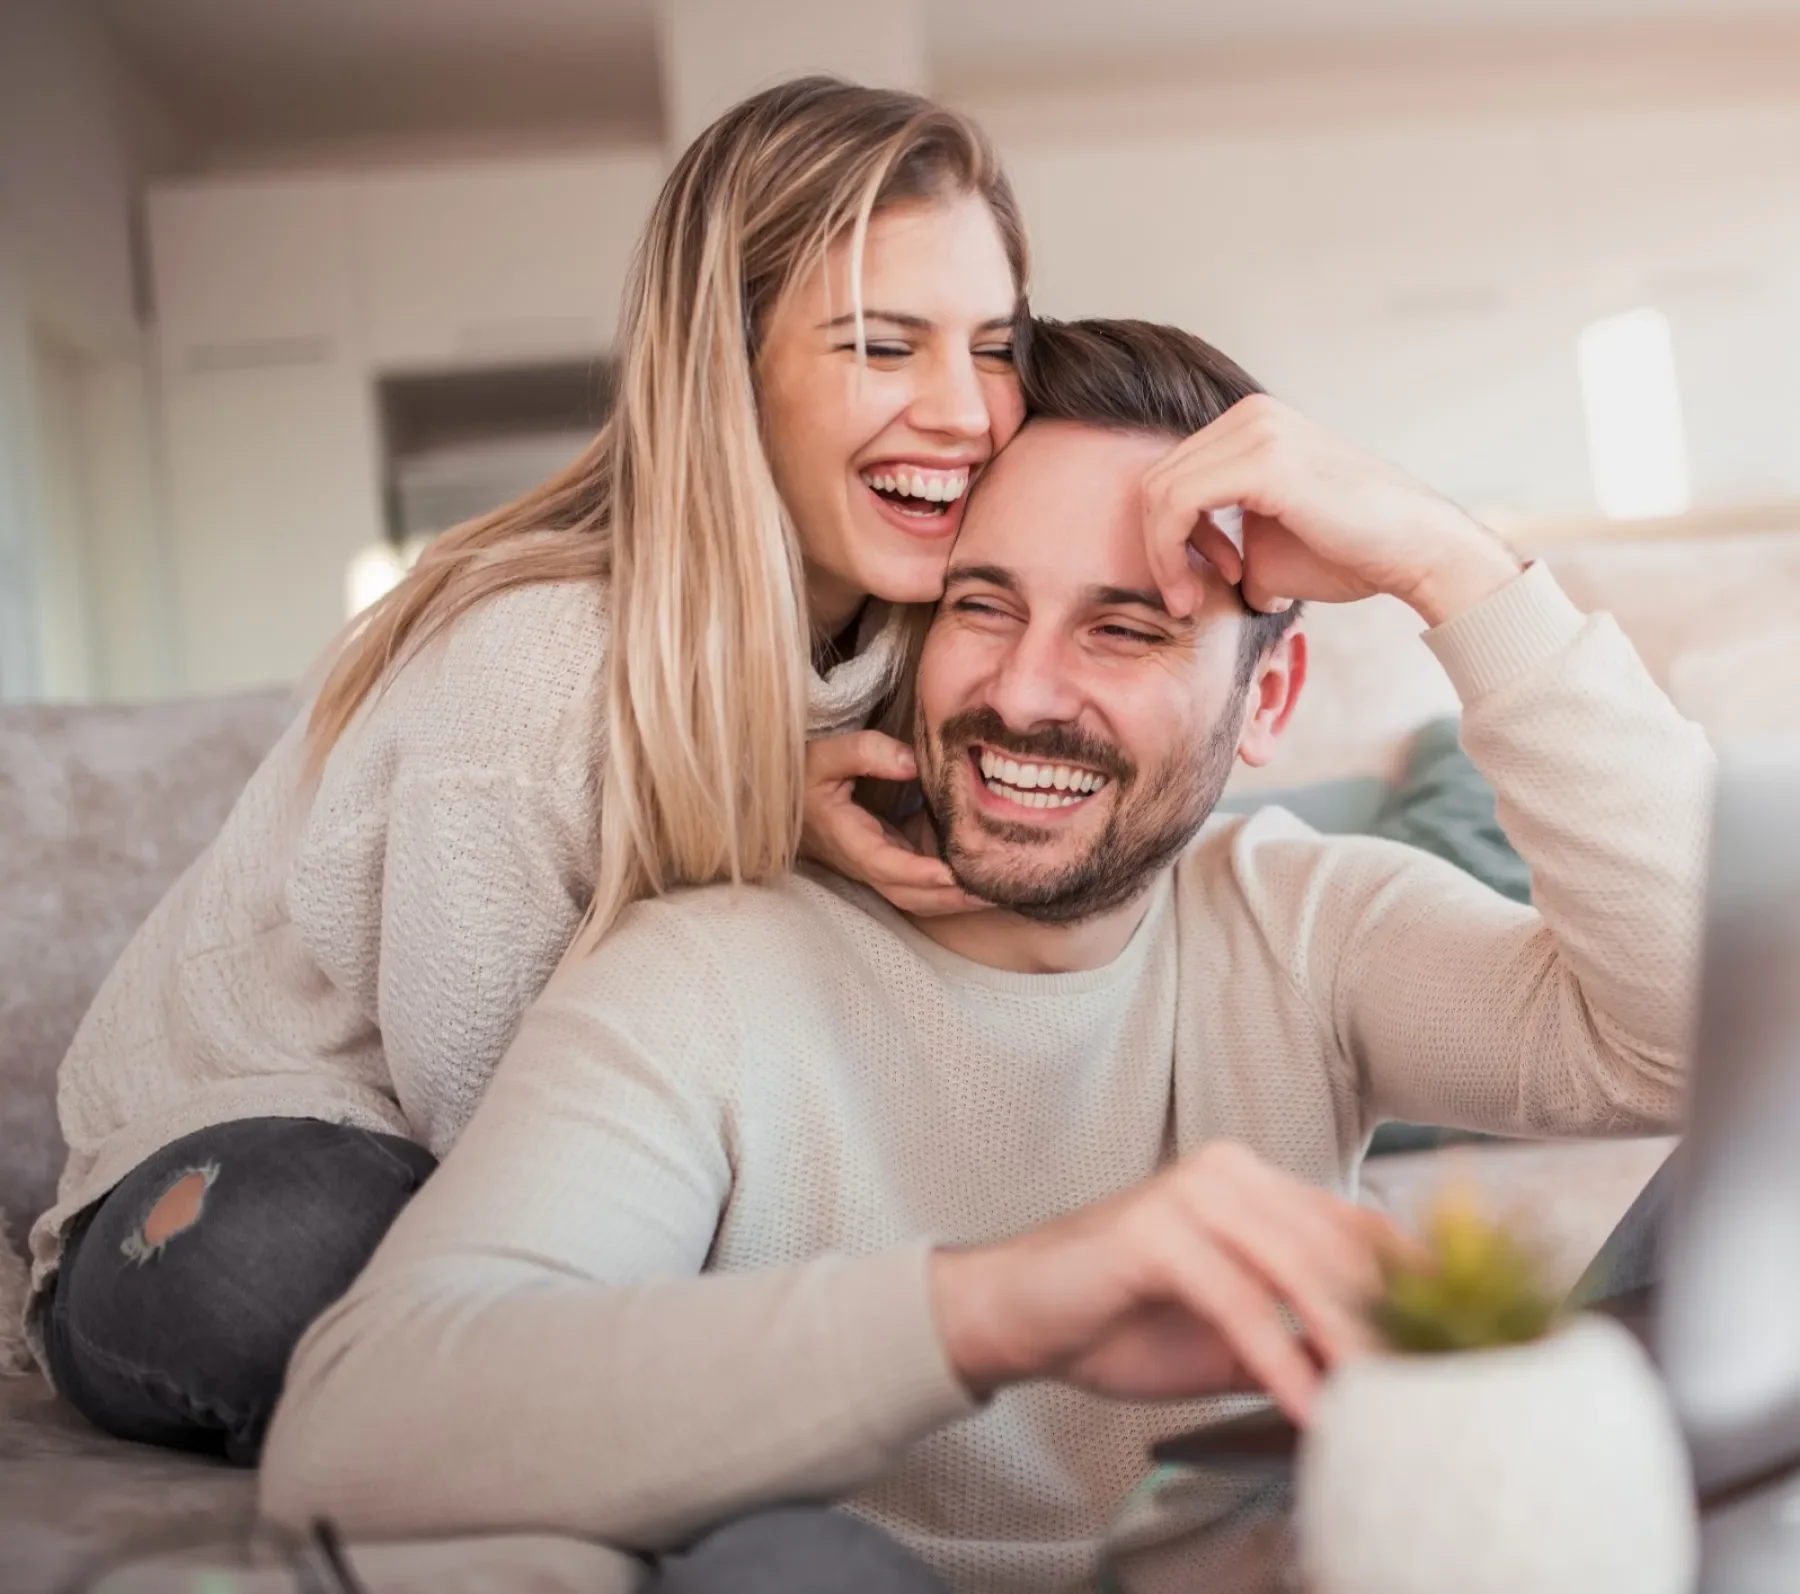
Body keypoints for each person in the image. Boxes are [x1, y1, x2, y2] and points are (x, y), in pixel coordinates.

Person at [257, 317, 1715, 1594]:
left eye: (1128, 628)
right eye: (982, 603)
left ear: (1267, 700)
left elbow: (1691, 1039)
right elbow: (358, 1431)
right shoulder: (706, 975)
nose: (1024, 691)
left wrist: (1455, 566)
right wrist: (1002, 1301)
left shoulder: (1304, 918)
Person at [24, 76, 1038, 1464]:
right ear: (726, 366)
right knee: (294, 1258)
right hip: (265, 1151)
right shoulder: (538, 661)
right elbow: (502, 1140)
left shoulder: (925, 642)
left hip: (555, 1185)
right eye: (881, 345)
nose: (967, 409)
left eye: (995, 345)